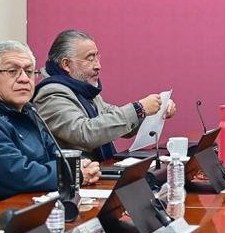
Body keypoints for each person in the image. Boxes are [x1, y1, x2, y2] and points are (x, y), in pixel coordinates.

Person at [0, 40, 100, 203]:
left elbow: (56, 154)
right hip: (0, 212)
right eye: (12, 71)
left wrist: (79, 167)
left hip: (36, 203)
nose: (24, 79)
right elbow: (18, 176)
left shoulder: (28, 110)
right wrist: (72, 173)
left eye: (29, 71)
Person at [33, 29, 176, 161]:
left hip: (99, 171)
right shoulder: (51, 93)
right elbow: (85, 133)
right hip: (78, 176)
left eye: (97, 58)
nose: (98, 66)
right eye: (90, 59)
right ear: (66, 64)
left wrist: (156, 111)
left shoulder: (83, 89)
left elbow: (116, 124)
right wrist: (139, 108)